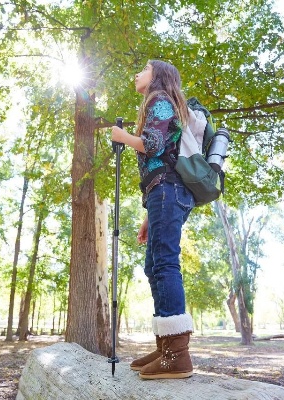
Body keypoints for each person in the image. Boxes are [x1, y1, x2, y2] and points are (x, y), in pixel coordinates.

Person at [111, 60, 195, 379]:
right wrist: (149, 213)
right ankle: (165, 346)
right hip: (163, 193)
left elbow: (154, 145)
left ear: (157, 76)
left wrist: (122, 136)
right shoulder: (161, 103)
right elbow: (161, 156)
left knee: (165, 264)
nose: (137, 74)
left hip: (167, 191)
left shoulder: (160, 99)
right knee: (154, 265)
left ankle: (177, 353)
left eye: (144, 69)